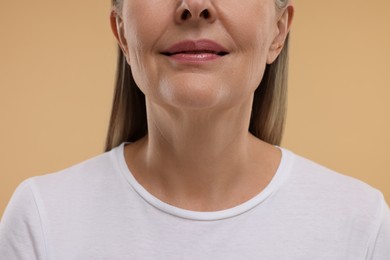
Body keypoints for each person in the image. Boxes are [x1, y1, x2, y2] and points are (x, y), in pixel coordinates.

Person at [0, 0, 389, 259]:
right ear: (121, 31)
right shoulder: (42, 219)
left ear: (278, 30)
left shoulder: (360, 225)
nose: (195, 6)